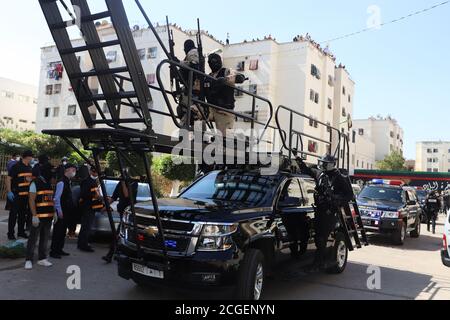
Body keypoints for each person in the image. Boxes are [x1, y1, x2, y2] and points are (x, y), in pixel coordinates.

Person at [295, 152, 354, 272]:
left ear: (332, 164)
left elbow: (349, 195)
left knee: (321, 238)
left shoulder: (339, 178)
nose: (322, 165)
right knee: (316, 237)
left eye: (325, 163)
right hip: (319, 210)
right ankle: (316, 260)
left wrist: (336, 199)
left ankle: (319, 263)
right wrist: (298, 159)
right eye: (322, 162)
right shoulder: (320, 174)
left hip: (330, 212)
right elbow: (307, 170)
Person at [204, 53, 246, 135]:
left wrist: (225, 80)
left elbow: (240, 77)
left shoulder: (226, 72)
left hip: (224, 110)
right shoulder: (207, 77)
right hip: (210, 108)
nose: (213, 63)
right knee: (194, 112)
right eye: (211, 61)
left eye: (215, 61)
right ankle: (198, 136)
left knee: (226, 140)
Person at [24, 162, 55, 270]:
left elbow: (51, 200)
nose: (52, 174)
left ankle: (42, 258)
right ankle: (28, 259)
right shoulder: (35, 182)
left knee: (45, 238)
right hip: (38, 217)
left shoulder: (49, 184)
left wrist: (54, 213)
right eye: (51, 171)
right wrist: (34, 215)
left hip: (48, 217)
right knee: (33, 239)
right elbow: (31, 200)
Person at [102, 179, 138, 263]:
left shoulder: (133, 183)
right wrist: (105, 207)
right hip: (122, 212)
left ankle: (110, 255)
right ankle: (114, 254)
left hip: (129, 213)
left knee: (120, 233)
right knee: (120, 233)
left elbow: (126, 195)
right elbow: (114, 197)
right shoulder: (120, 183)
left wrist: (123, 183)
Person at [50, 163, 77, 259]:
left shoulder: (67, 181)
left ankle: (59, 249)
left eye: (75, 170)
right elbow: (56, 198)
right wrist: (59, 211)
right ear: (67, 170)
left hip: (66, 211)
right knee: (58, 231)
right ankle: (54, 251)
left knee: (62, 232)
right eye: (73, 170)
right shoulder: (61, 182)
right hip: (61, 211)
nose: (74, 172)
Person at [6, 150, 34, 240]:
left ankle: (21, 232)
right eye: (31, 157)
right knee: (13, 215)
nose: (32, 158)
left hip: (25, 196)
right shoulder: (16, 166)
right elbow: (8, 178)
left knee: (22, 215)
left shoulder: (29, 167)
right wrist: (9, 191)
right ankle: (10, 234)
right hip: (16, 195)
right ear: (27, 157)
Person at [176, 39, 205, 126]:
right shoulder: (193, 53)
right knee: (185, 111)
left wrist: (178, 62)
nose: (184, 50)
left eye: (184, 48)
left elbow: (193, 65)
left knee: (192, 113)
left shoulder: (193, 52)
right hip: (190, 87)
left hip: (193, 88)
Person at [78, 167, 104, 252]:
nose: (95, 173)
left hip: (92, 207)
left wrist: (99, 197)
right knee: (86, 226)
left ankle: (82, 243)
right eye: (94, 171)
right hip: (87, 207)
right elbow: (84, 193)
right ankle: (83, 245)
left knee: (87, 226)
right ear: (90, 171)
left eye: (97, 172)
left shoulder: (94, 181)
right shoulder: (86, 181)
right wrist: (95, 196)